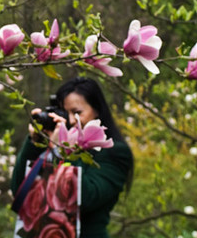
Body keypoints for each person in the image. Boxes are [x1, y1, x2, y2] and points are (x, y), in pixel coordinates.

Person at [11, 77, 134, 238]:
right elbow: (19, 190)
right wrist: (34, 143)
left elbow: (86, 198)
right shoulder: (53, 144)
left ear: (97, 110)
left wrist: (61, 150)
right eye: (64, 112)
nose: (69, 120)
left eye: (77, 113)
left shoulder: (114, 151)